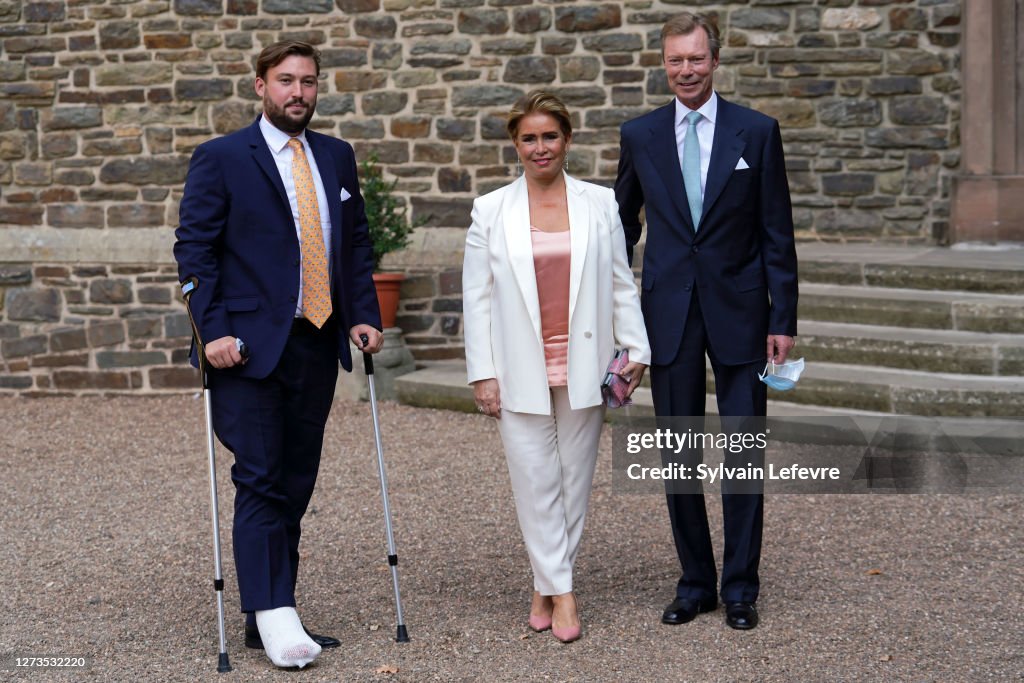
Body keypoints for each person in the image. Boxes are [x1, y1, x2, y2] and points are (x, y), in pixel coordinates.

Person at [174, 40, 383, 669]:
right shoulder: (220, 158)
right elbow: (195, 251)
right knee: (260, 476)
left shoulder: (337, 156)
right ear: (260, 86)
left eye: (309, 82)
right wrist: (211, 331)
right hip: (243, 347)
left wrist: (365, 313)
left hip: (316, 339)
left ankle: (269, 605)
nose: (299, 93)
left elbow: (355, 244)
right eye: (286, 81)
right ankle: (276, 615)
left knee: (296, 477)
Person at [614, 12, 798, 631]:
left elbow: (777, 231)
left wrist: (784, 316)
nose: (685, 71)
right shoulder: (639, 136)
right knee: (679, 456)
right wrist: (615, 311)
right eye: (675, 60)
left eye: (695, 59)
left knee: (744, 453)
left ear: (715, 60)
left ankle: (742, 587)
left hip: (744, 313)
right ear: (663, 63)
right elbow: (622, 228)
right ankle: (696, 582)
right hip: (667, 313)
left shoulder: (757, 132)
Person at [463, 91, 651, 643]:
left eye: (549, 136)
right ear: (514, 145)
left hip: (585, 361)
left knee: (573, 481)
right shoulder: (490, 209)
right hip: (518, 365)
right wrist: (483, 373)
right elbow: (476, 298)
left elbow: (620, 281)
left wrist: (635, 347)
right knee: (534, 481)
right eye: (528, 138)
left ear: (567, 140)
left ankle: (545, 585)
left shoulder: (600, 203)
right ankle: (564, 592)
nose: (540, 147)